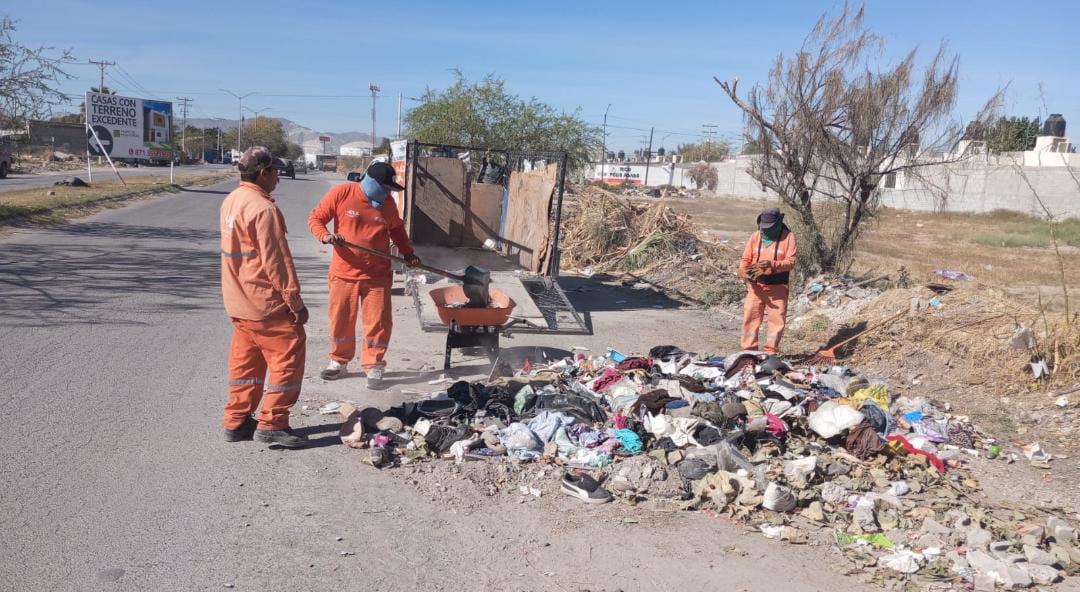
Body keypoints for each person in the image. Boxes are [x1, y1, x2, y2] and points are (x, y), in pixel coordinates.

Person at [219, 146, 309, 448]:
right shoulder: (263, 209)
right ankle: (272, 422)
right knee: (288, 357)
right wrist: (295, 303)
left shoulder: (232, 201)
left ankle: (237, 421)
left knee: (247, 364)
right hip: (265, 304)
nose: (278, 180)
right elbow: (278, 263)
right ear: (263, 173)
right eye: (276, 173)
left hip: (239, 303)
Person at [308, 160, 421, 389]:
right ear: (371, 182)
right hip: (344, 274)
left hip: (377, 275)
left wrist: (408, 253)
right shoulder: (342, 193)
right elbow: (316, 219)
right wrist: (327, 236)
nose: (388, 193)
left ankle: (374, 365)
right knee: (341, 321)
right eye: (385, 188)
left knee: (378, 323)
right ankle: (338, 361)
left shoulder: (388, 204)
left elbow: (397, 229)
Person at [737, 207, 797, 355]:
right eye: (763, 226)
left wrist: (772, 265)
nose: (764, 230)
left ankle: (770, 353)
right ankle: (749, 351)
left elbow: (791, 262)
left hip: (777, 289)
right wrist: (743, 270)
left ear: (778, 223)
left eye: (768, 227)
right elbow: (746, 259)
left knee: (776, 322)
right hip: (755, 287)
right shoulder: (755, 236)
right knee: (750, 318)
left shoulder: (788, 237)